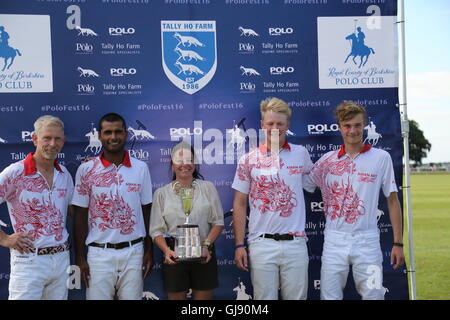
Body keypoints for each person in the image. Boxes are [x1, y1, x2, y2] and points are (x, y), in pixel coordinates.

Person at [304, 101, 405, 300]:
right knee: (329, 296)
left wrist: (398, 243)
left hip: (367, 241)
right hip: (334, 240)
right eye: (347, 126)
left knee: (374, 295)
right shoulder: (326, 161)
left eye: (357, 125)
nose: (353, 131)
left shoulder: (381, 157)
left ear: (364, 125)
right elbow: (302, 183)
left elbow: (393, 201)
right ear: (340, 127)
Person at [232, 97, 313, 300]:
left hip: (295, 243)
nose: (275, 128)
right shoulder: (248, 159)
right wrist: (239, 245)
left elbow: (315, 184)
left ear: (288, 125)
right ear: (262, 125)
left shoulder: (301, 154)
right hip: (261, 243)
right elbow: (240, 204)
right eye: (270, 123)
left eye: (280, 123)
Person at [71, 113, 153, 300]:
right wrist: (80, 257)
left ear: (126, 134)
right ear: (99, 135)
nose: (113, 137)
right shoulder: (86, 170)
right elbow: (80, 215)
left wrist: (149, 250)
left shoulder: (141, 168)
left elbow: (147, 210)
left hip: (134, 252)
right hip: (99, 254)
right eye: (108, 132)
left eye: (118, 132)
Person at [0, 115, 73, 300]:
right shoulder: (15, 172)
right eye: (47, 138)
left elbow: (74, 211)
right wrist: (4, 238)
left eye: (57, 139)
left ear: (63, 141)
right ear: (35, 139)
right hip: (29, 261)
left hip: (61, 258)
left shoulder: (64, 174)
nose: (52, 143)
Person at [149, 141, 224, 300]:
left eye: (189, 160)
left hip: (204, 252)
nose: (185, 164)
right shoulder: (161, 194)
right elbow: (156, 230)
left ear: (195, 163)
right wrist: (166, 251)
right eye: (179, 160)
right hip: (174, 255)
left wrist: (206, 245)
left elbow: (218, 222)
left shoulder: (208, 188)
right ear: (172, 164)